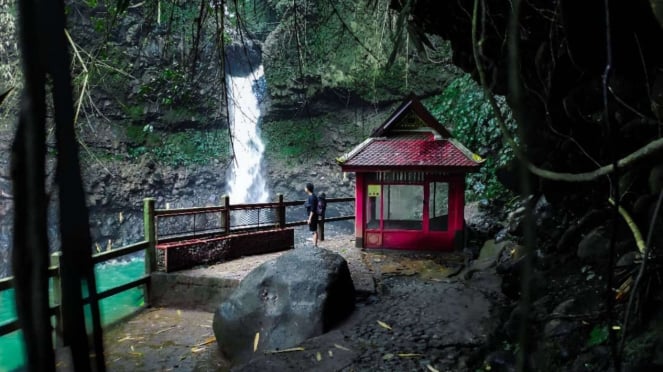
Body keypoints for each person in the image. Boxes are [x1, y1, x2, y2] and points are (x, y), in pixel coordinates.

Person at [304, 182, 318, 247]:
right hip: (314, 215)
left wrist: (309, 218)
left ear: (308, 189)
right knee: (313, 230)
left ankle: (315, 245)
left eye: (305, 187)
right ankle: (314, 243)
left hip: (313, 216)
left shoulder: (312, 197)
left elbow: (312, 209)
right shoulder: (313, 196)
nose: (305, 188)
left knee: (314, 230)